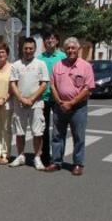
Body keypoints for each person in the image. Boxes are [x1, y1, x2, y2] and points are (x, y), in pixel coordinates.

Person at [46, 37, 95, 176]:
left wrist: (72, 103)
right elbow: (53, 85)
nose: (70, 50)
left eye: (73, 48)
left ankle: (78, 164)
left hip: (78, 107)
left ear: (78, 49)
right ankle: (56, 162)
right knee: (57, 136)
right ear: (64, 50)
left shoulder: (85, 66)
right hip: (60, 106)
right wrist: (60, 102)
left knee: (78, 136)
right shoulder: (58, 65)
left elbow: (88, 88)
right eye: (68, 48)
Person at [9, 37, 49, 170]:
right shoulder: (16, 65)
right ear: (22, 48)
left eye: (31, 48)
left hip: (36, 103)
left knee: (37, 132)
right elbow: (13, 84)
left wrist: (31, 99)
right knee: (20, 132)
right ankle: (20, 156)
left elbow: (44, 84)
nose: (28, 51)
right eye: (26, 48)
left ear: (35, 49)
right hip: (19, 104)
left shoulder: (40, 64)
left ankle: (37, 158)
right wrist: (21, 99)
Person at [37, 31, 67, 165]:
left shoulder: (62, 56)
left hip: (58, 97)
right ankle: (44, 156)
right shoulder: (39, 58)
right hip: (43, 97)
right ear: (44, 41)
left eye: (53, 38)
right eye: (47, 38)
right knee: (43, 129)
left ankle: (57, 157)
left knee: (58, 129)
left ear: (57, 41)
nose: (50, 40)